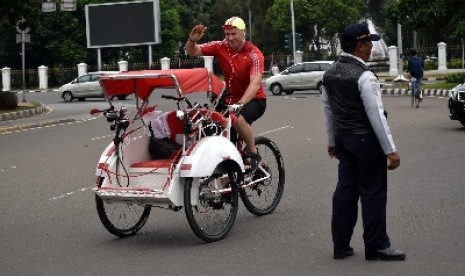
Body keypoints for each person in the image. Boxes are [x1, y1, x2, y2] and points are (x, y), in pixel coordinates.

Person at [321, 22, 406, 261]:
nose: (371, 47)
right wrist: (391, 150)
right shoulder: (365, 76)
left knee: (345, 192)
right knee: (373, 193)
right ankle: (377, 245)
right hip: (367, 142)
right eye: (368, 42)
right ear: (359, 46)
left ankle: (341, 245)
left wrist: (332, 141)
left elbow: (329, 112)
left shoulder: (329, 74)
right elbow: (376, 116)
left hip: (344, 141)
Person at [186, 16, 266, 169]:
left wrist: (240, 103)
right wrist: (192, 39)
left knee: (238, 119)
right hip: (229, 101)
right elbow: (192, 51)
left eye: (234, 34)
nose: (230, 38)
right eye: (227, 34)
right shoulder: (220, 46)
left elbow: (255, 84)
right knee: (220, 137)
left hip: (254, 100)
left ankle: (253, 153)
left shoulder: (254, 54)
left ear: (244, 33)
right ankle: (227, 187)